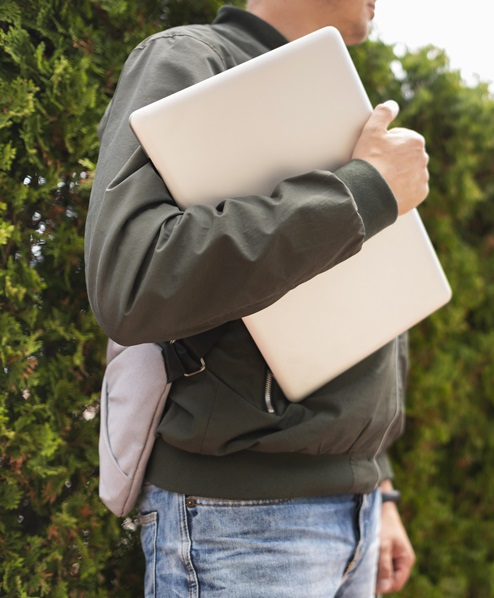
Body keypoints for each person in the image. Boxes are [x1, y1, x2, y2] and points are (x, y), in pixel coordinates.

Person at [84, 1, 426, 595]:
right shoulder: (189, 60)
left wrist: (378, 488)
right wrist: (363, 192)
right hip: (239, 524)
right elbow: (131, 281)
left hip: (354, 515)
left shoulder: (338, 95)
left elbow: (348, 319)